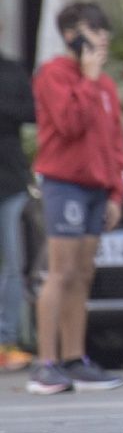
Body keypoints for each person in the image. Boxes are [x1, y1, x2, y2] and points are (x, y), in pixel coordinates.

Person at [29, 2, 123, 394]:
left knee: (83, 275)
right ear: (73, 35)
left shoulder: (107, 85)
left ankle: (75, 358)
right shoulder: (54, 75)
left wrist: (115, 191)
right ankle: (45, 363)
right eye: (93, 29)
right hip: (63, 184)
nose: (102, 37)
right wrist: (86, 79)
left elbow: (113, 143)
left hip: (95, 188)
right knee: (61, 271)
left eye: (104, 30)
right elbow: (69, 125)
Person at [0, 26, 35, 372]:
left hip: (10, 180)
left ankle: (6, 339)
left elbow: (32, 111)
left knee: (14, 264)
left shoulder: (11, 70)